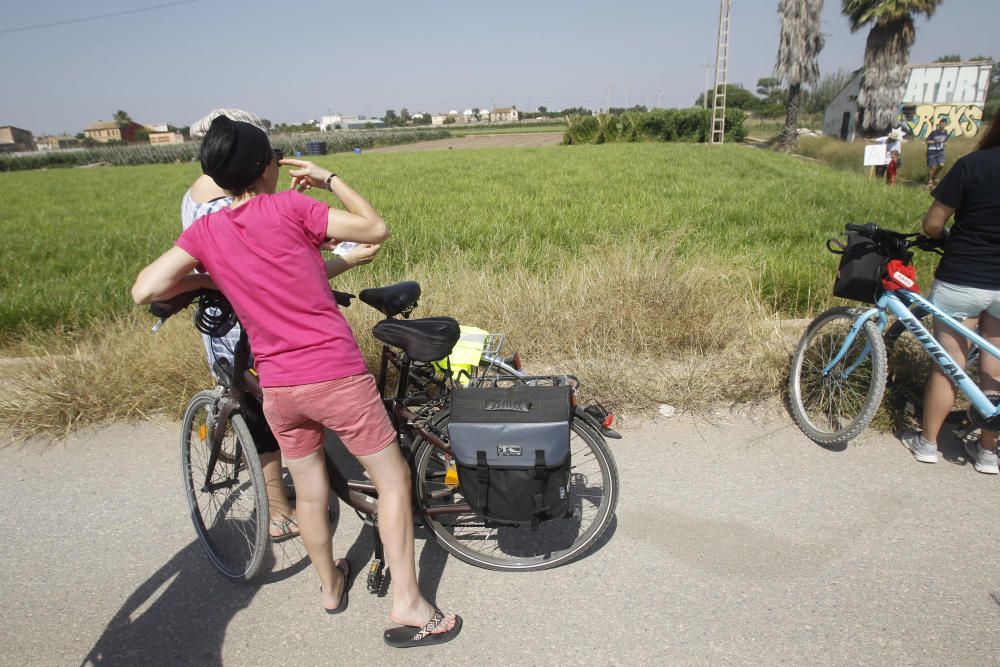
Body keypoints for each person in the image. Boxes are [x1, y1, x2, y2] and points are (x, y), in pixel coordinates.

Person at [132, 116, 461, 646]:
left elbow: (144, 288)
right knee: (393, 480)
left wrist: (206, 275)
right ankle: (409, 604)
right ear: (268, 166)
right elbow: (375, 229)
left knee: (308, 494)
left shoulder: (207, 231)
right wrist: (329, 179)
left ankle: (331, 586)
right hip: (335, 374)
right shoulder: (291, 206)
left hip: (280, 389)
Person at [182, 108, 379, 542]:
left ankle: (301, 507)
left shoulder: (200, 198)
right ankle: (277, 508)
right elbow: (270, 281)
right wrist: (340, 259)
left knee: (270, 414)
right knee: (260, 416)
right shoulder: (231, 206)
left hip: (238, 325)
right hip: (256, 330)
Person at [900, 111, 1000, 474]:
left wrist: (943, 238)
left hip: (964, 276)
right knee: (995, 366)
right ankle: (988, 453)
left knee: (948, 366)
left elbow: (933, 223)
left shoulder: (973, 165)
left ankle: (927, 444)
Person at [925, 118, 949, 188]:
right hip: (932, 151)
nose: (942, 125)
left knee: (941, 165)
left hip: (940, 151)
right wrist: (936, 141)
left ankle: (934, 176)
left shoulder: (945, 132)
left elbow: (945, 141)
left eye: (944, 124)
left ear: (946, 125)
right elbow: (927, 142)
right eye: (941, 123)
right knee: (932, 167)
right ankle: (930, 181)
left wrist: (945, 143)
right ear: (939, 124)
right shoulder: (934, 132)